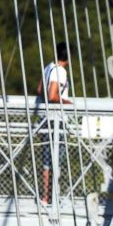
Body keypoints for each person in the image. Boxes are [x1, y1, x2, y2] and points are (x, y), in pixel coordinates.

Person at [35, 42, 72, 204]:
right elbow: (52, 95)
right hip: (56, 120)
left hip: (45, 118)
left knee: (47, 160)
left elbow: (39, 90)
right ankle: (52, 197)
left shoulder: (48, 67)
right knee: (56, 159)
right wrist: (66, 102)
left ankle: (45, 196)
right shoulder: (61, 71)